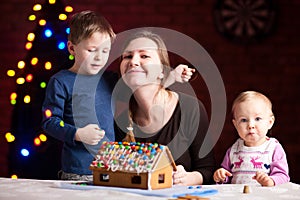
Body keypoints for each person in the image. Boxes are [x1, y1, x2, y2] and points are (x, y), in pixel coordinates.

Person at [42, 11, 195, 181]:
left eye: (105, 51)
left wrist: (172, 76)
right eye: (92, 50)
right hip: (78, 170)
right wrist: (77, 133)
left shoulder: (110, 80)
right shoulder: (60, 82)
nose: (99, 58)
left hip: (110, 169)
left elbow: (141, 87)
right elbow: (50, 122)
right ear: (72, 48)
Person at [114, 30, 216, 186]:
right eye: (127, 56)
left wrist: (189, 178)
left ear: (162, 71)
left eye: (144, 56)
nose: (133, 61)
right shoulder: (121, 121)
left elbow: (208, 170)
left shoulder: (190, 108)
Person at [213, 91, 290, 186]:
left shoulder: (273, 148)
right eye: (244, 120)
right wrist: (221, 176)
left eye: (257, 119)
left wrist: (270, 181)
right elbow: (227, 174)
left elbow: (283, 176)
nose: (250, 125)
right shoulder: (234, 150)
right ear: (235, 124)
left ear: (270, 122)